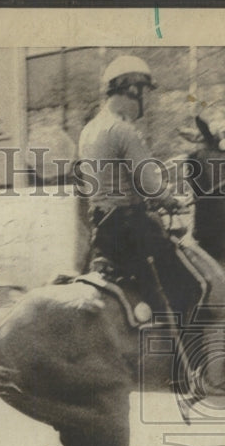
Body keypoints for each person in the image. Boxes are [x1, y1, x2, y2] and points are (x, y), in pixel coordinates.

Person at [77, 56, 199, 324]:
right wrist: (172, 201)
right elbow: (150, 184)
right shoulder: (123, 130)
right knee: (188, 286)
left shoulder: (89, 130)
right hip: (131, 230)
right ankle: (186, 361)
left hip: (101, 230)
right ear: (133, 89)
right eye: (145, 92)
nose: (147, 99)